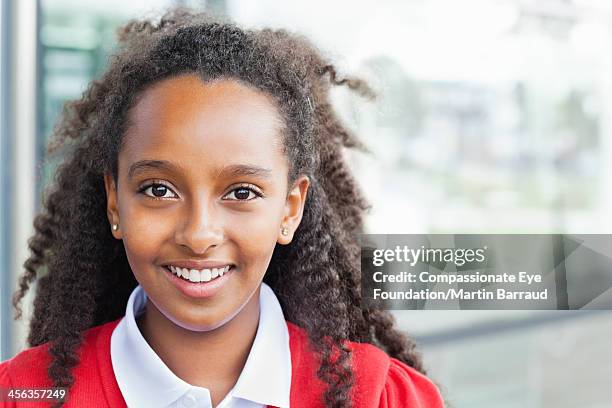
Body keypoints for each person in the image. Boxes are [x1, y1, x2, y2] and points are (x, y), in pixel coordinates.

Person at [0, 8, 444, 408]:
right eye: (158, 190)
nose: (199, 234)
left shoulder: (383, 396)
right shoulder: (23, 394)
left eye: (242, 192)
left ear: (290, 210)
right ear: (115, 202)